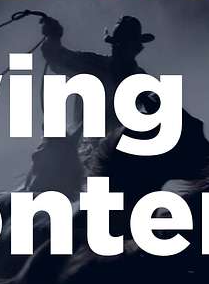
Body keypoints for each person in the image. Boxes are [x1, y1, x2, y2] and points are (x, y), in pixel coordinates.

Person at [23, 14, 155, 196]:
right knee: (47, 172)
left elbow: (156, 112)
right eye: (118, 45)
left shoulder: (141, 80)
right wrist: (54, 37)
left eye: (125, 46)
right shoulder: (92, 65)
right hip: (77, 151)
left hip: (116, 155)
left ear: (136, 49)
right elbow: (57, 57)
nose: (120, 50)